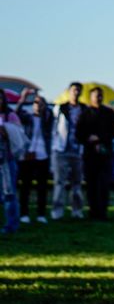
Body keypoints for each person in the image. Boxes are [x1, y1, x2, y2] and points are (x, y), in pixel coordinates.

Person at [75, 87, 114, 220]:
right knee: (91, 184)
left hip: (105, 153)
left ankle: (102, 212)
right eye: (95, 96)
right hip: (90, 154)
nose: (98, 98)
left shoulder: (109, 113)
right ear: (90, 98)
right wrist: (89, 139)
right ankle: (93, 211)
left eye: (100, 96)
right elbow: (79, 133)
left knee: (104, 183)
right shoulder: (84, 114)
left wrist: (100, 138)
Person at [50, 82, 86, 220]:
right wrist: (55, 146)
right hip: (61, 150)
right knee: (59, 182)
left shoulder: (84, 109)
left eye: (78, 90)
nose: (75, 93)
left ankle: (77, 211)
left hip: (78, 151)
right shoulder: (61, 108)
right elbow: (54, 127)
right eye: (73, 90)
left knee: (77, 183)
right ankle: (57, 211)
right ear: (69, 92)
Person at [17, 94, 53, 223]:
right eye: (36, 102)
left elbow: (49, 115)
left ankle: (41, 214)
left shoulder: (47, 118)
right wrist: (23, 99)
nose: (38, 105)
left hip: (43, 156)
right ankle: (24, 214)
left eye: (41, 102)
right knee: (25, 186)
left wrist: (44, 108)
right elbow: (16, 114)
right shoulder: (28, 117)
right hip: (28, 155)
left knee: (42, 187)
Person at [0, 117, 29, 234]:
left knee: (9, 195)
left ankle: (11, 225)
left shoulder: (9, 116)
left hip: (6, 162)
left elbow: (17, 138)